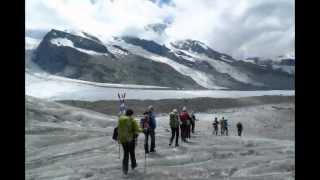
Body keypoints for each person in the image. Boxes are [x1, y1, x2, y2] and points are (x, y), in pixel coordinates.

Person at [118, 109, 142, 175]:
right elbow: (137, 129)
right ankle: (133, 165)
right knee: (132, 152)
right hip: (130, 139)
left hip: (123, 139)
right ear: (131, 114)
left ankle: (125, 169)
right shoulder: (132, 120)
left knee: (126, 153)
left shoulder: (120, 119)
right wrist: (143, 130)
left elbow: (118, 129)